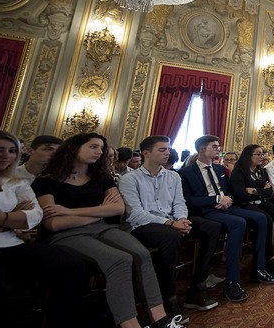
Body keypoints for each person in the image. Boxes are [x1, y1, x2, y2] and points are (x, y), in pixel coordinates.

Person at [32, 132, 184, 328]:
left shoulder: (100, 177)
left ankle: (161, 319)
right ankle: (130, 324)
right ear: (74, 148)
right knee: (120, 260)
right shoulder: (46, 181)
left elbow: (118, 208)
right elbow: (53, 224)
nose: (99, 152)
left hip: (102, 228)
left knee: (142, 254)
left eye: (101, 148)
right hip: (66, 234)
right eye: (93, 146)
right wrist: (99, 211)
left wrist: (69, 211)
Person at [0, 130, 86, 328]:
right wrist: (9, 220)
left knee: (71, 265)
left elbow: (33, 216)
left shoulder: (15, 183)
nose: (6, 156)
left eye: (12, 151)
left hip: (11, 243)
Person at [119, 135, 223, 319]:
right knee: (170, 237)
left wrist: (182, 219)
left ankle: (197, 286)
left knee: (212, 227)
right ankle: (168, 297)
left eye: (168, 149)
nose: (167, 153)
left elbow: (179, 202)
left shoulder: (173, 176)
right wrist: (170, 223)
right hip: (143, 225)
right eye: (162, 150)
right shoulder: (130, 179)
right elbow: (135, 213)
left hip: (172, 219)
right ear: (146, 153)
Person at [177, 135, 274, 293]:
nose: (219, 149)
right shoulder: (186, 172)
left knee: (262, 218)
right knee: (239, 223)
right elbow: (189, 200)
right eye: (214, 146)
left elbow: (229, 189)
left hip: (228, 206)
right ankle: (232, 281)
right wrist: (216, 199)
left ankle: (258, 268)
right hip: (207, 210)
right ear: (202, 149)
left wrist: (228, 198)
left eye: (218, 146)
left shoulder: (220, 169)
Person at [229, 144, 274, 276]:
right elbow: (240, 194)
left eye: (262, 154)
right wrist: (261, 190)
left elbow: (269, 192)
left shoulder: (261, 171)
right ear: (248, 156)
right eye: (258, 154)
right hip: (245, 204)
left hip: (261, 201)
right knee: (267, 219)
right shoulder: (239, 171)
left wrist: (254, 190)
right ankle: (269, 258)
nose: (262, 157)